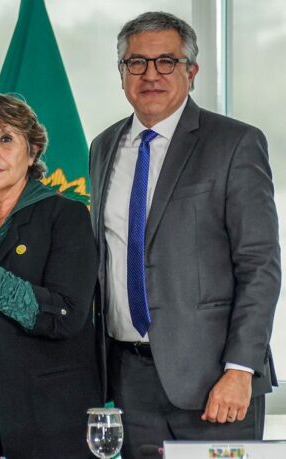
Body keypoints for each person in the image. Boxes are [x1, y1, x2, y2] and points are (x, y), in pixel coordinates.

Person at [89, 11, 280, 458]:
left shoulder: (235, 143)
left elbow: (259, 265)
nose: (150, 74)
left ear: (191, 72)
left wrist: (240, 370)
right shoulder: (102, 147)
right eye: (136, 62)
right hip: (127, 379)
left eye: (166, 62)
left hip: (214, 382)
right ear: (121, 74)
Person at [0, 94, 100, 458]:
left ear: (33, 150)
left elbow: (66, 316)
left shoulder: (66, 217)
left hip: (43, 420)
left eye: (6, 139)